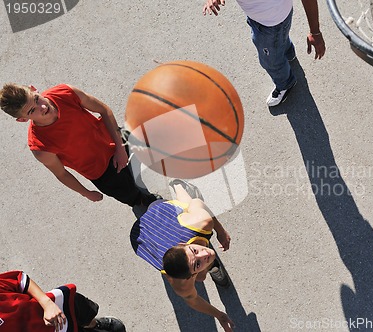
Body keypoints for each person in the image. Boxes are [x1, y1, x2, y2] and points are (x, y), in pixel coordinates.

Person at [0, 83, 159, 207]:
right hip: (102, 173)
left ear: (33, 88)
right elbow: (62, 174)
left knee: (152, 152)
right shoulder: (40, 147)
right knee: (132, 194)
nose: (42, 107)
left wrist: (119, 148)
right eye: (31, 111)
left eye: (36, 99)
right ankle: (146, 202)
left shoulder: (65, 93)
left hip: (114, 139)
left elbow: (104, 110)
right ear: (22, 120)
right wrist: (86, 193)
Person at [130, 180, 234, 332]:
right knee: (201, 276)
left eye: (194, 251)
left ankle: (178, 185)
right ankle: (207, 268)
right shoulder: (181, 285)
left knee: (187, 205)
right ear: (187, 278)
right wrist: (220, 315)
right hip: (143, 235)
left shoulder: (200, 222)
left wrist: (220, 231)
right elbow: (192, 300)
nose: (206, 252)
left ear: (184, 244)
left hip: (162, 212)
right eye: (197, 264)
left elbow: (198, 203)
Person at [203, 0, 326, 107]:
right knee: (280, 40)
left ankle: (285, 83)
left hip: (269, 24)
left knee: (271, 62)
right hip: (276, 16)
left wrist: (315, 32)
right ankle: (289, 54)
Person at [0, 270, 125, 331]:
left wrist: (47, 303)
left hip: (57, 308)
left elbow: (20, 280)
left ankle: (94, 325)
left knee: (83, 314)